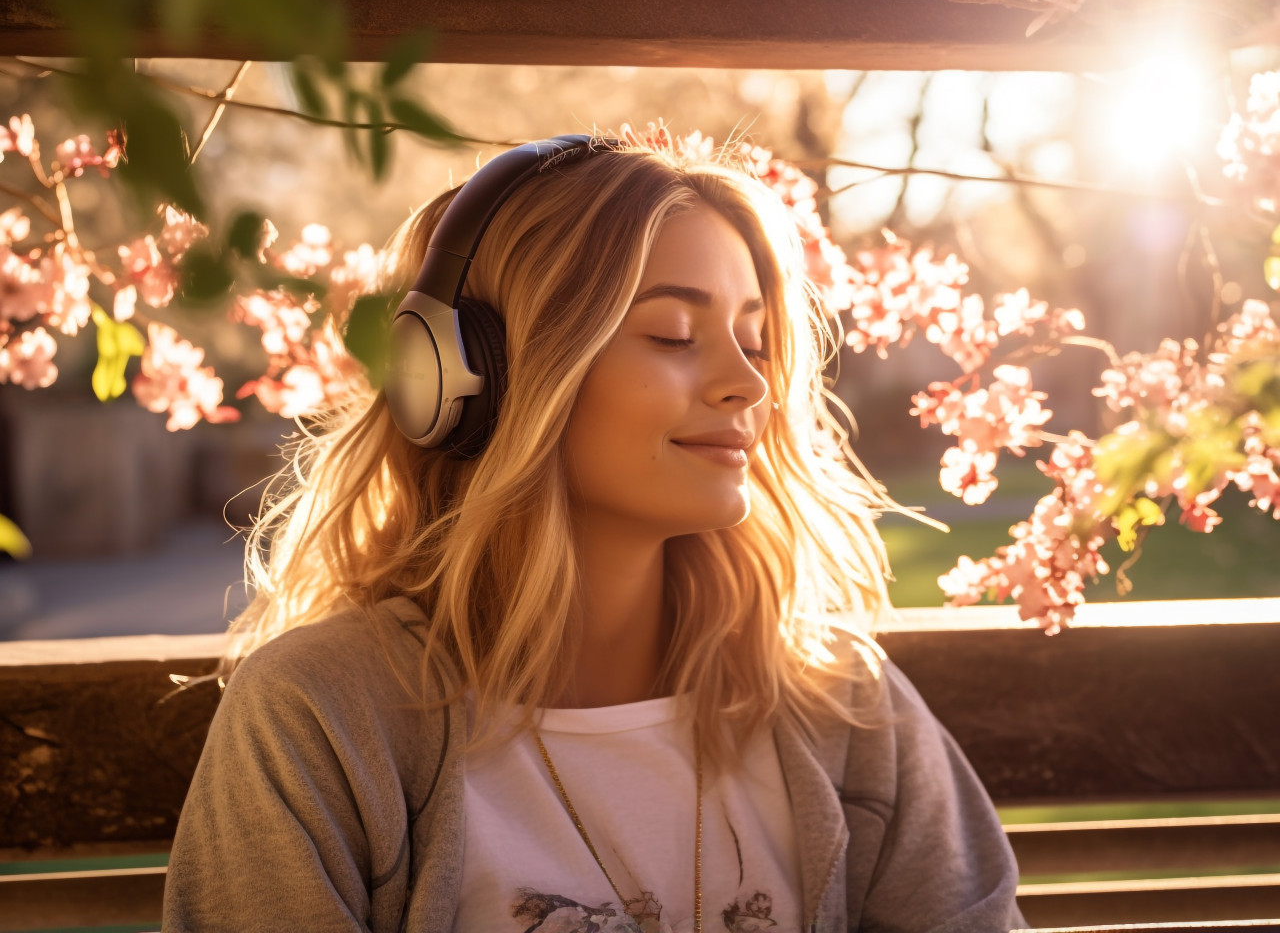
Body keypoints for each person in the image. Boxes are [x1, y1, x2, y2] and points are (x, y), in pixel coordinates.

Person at [162, 132, 1026, 933]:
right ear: (471, 381)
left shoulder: (843, 708)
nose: (746, 385)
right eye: (673, 334)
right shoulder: (321, 717)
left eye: (756, 343)